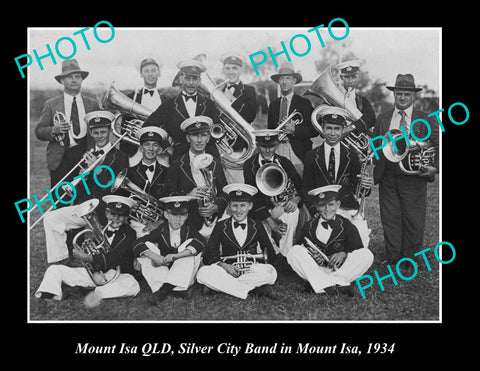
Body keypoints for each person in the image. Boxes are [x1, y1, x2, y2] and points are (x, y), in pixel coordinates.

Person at [42, 110, 128, 264]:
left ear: (109, 131)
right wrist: (82, 179)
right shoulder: (85, 155)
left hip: (107, 210)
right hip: (85, 208)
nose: (100, 136)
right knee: (50, 217)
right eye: (96, 132)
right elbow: (79, 191)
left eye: (103, 131)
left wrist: (98, 169)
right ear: (91, 133)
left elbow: (115, 189)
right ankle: (60, 261)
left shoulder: (120, 157)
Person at [372, 73, 439, 265]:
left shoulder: (424, 118)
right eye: (399, 93)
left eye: (406, 94)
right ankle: (393, 257)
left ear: (413, 96)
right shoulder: (383, 118)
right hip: (388, 175)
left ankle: (410, 259)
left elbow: (437, 143)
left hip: (414, 176)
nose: (402, 97)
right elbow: (376, 146)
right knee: (390, 218)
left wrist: (434, 167)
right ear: (394, 95)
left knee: (413, 218)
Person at [34, 195, 140, 311]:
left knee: (132, 285)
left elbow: (117, 257)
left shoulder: (130, 234)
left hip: (118, 275)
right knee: (54, 269)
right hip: (97, 274)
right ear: (106, 213)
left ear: (126, 217)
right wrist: (95, 271)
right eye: (112, 214)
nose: (116, 219)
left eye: (120, 216)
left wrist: (87, 258)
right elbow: (95, 253)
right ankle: (48, 296)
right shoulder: (99, 229)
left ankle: (91, 291)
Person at [286, 185, 374, 297]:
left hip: (340, 269)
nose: (327, 209)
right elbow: (301, 247)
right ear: (317, 207)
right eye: (322, 205)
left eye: (331, 204)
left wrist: (344, 254)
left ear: (338, 204)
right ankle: (339, 284)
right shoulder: (309, 226)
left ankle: (324, 283)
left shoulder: (346, 225)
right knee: (293, 251)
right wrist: (312, 257)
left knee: (366, 254)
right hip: (317, 269)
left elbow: (357, 248)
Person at [303, 111, 373, 247]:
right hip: (323, 209)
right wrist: (315, 211)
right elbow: (306, 188)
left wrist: (366, 186)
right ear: (322, 128)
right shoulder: (311, 156)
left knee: (362, 237)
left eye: (337, 129)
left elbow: (358, 188)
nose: (332, 133)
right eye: (329, 128)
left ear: (343, 130)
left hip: (347, 208)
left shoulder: (352, 155)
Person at [196, 184, 278, 300]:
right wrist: (224, 265)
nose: (238, 210)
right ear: (229, 207)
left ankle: (222, 286)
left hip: (250, 270)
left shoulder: (257, 225)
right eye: (234, 206)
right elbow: (209, 256)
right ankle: (251, 289)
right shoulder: (220, 225)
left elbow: (271, 254)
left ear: (250, 206)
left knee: (270, 271)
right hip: (227, 270)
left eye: (243, 205)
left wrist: (257, 263)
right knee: (204, 272)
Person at [35, 59, 100, 187]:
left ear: (82, 80)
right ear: (62, 81)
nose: (74, 80)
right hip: (60, 159)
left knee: (83, 201)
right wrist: (54, 130)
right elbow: (39, 131)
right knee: (60, 201)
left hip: (85, 157)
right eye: (70, 77)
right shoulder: (51, 104)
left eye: (77, 76)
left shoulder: (92, 104)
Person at [132, 196, 206, 305]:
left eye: (182, 215)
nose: (178, 219)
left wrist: (177, 256)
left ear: (187, 215)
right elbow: (137, 243)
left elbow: (201, 242)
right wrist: (154, 256)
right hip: (165, 273)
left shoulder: (190, 230)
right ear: (166, 215)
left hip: (185, 276)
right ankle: (172, 288)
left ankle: (164, 291)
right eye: (174, 215)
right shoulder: (161, 230)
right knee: (147, 245)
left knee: (190, 245)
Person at [162, 116, 228, 236]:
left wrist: (216, 207)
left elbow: (224, 192)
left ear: (208, 138)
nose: (199, 140)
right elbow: (166, 194)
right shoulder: (177, 164)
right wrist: (187, 196)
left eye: (203, 135)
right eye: (195, 135)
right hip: (189, 223)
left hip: (214, 221)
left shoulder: (215, 163)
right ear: (188, 138)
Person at [143, 59, 221, 161]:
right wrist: (166, 146)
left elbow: (218, 129)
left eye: (194, 79)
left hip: (208, 155)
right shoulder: (168, 105)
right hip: (180, 157)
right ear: (181, 79)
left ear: (199, 81)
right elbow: (148, 126)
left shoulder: (209, 104)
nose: (191, 83)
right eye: (188, 78)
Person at [243, 129, 302, 257]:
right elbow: (252, 196)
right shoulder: (249, 165)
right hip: (261, 209)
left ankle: (287, 254)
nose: (268, 150)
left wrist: (295, 200)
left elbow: (300, 185)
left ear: (277, 144)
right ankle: (273, 252)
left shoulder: (284, 162)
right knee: (264, 235)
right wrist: (271, 222)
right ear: (257, 145)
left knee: (293, 213)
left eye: (272, 146)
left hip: (283, 205)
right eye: (264, 146)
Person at [267, 62, 316, 176]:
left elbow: (314, 131)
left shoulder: (304, 103)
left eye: (287, 78)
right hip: (277, 149)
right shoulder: (273, 105)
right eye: (281, 79)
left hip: (297, 151)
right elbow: (270, 129)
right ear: (278, 81)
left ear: (294, 81)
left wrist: (295, 131)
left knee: (298, 181)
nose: (284, 82)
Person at [121, 58, 168, 166]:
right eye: (146, 71)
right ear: (141, 74)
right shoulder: (131, 98)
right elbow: (124, 127)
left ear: (159, 73)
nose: (150, 74)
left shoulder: (167, 100)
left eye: (153, 70)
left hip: (160, 152)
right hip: (136, 151)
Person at [219, 52, 258, 184]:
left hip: (239, 148)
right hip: (220, 147)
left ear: (240, 70)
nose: (231, 72)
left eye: (234, 68)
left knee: (239, 186)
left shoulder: (249, 91)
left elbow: (250, 114)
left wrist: (228, 101)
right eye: (228, 68)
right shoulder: (217, 92)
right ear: (223, 70)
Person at [125, 126, 170, 237]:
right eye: (146, 144)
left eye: (155, 145)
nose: (151, 149)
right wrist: (131, 205)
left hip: (162, 222)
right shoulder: (130, 172)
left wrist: (159, 222)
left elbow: (172, 201)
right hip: (136, 222)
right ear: (140, 148)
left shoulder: (168, 172)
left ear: (159, 150)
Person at [334, 60, 376, 136]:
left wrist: (352, 127)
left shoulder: (363, 101)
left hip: (357, 142)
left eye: (354, 77)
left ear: (359, 77)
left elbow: (371, 119)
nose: (350, 81)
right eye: (346, 77)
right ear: (341, 77)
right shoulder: (332, 99)